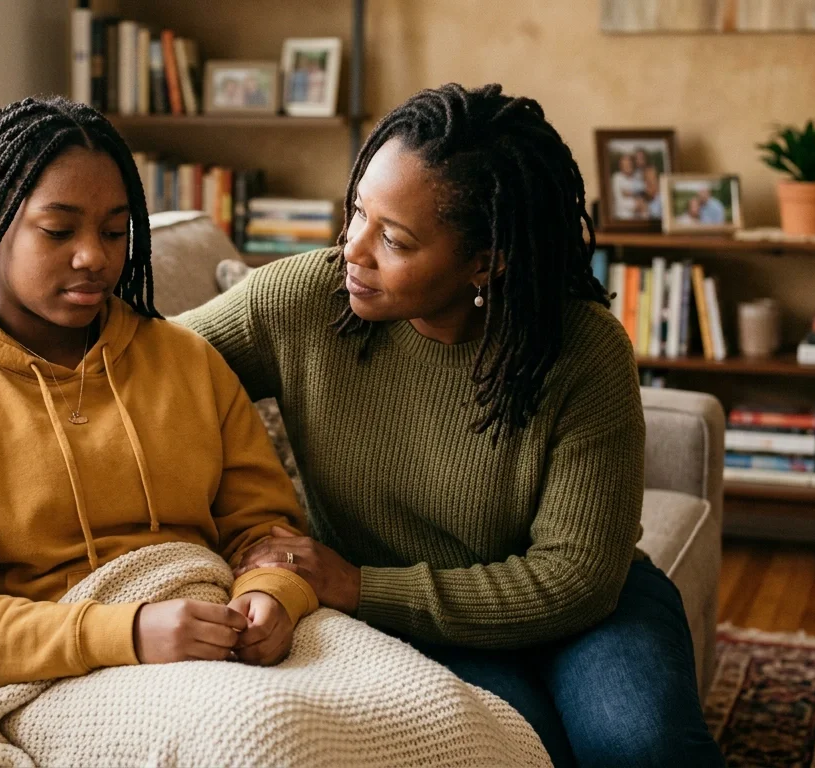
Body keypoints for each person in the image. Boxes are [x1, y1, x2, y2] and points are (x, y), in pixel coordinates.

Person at [179, 83, 724, 768]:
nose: (353, 248)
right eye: (356, 214)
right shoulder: (300, 302)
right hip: (417, 625)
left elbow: (578, 576)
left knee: (641, 748)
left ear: (487, 260)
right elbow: (150, 372)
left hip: (585, 612)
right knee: (518, 748)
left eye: (395, 239)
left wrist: (356, 585)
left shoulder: (580, 349)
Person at [0, 97, 319, 690]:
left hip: (226, 638)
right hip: (64, 677)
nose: (94, 257)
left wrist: (273, 594)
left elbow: (267, 533)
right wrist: (128, 633)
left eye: (114, 231)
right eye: (59, 229)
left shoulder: (187, 360)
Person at [610, 152, 643, 220]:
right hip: (622, 219)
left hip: (638, 219)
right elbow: (619, 202)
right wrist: (636, 204)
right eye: (625, 164)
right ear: (621, 166)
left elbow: (643, 195)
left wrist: (631, 194)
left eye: (629, 163)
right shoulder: (617, 178)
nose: (628, 166)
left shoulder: (637, 176)